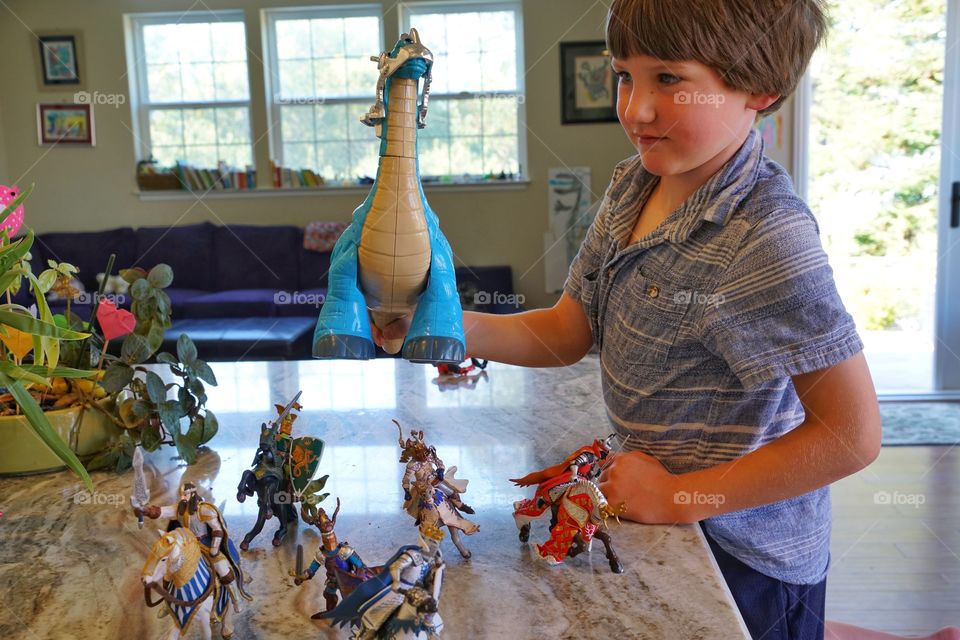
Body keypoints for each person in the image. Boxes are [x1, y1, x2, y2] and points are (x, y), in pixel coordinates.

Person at [373, 2, 959, 639]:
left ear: (759, 89)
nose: (634, 108)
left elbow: (851, 435)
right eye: (625, 75)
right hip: (655, 509)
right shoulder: (633, 187)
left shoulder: (768, 239)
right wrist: (446, 324)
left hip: (745, 552)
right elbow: (571, 328)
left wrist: (681, 497)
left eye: (669, 80)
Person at [135, 482, 247, 613]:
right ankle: (169, 602)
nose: (183, 498)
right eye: (181, 495)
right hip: (186, 543)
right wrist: (146, 510)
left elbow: (217, 529)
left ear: (193, 493)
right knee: (169, 572)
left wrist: (215, 547)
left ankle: (235, 599)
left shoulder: (204, 509)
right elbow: (161, 512)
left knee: (223, 570)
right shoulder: (179, 509)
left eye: (185, 494)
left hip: (204, 543)